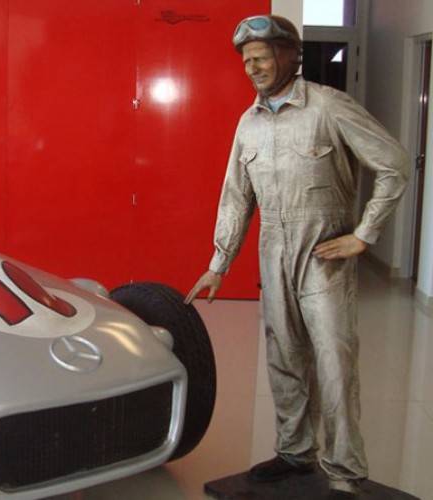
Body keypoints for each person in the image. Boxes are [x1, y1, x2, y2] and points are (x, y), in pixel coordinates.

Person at [185, 14, 409, 499]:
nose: (252, 68)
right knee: (283, 356)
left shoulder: (328, 107)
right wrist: (219, 264)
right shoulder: (248, 123)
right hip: (273, 250)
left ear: (288, 55)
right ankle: (294, 451)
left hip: (324, 253)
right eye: (246, 60)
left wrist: (364, 235)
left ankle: (345, 470)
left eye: (261, 57)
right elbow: (236, 197)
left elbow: (394, 164)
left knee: (333, 361)